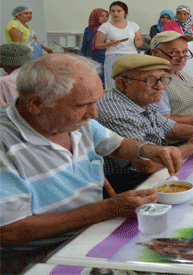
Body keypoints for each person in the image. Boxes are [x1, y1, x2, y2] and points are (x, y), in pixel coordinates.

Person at [0, 54, 183, 274]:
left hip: (93, 234)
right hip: (39, 255)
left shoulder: (76, 121)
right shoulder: (5, 143)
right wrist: (107, 209)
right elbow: (9, 231)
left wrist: (146, 149)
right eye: (84, 104)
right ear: (36, 103)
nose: (94, 113)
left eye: (96, 101)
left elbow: (116, 145)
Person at [97, 54, 193, 193]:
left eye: (162, 79)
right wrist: (192, 145)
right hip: (131, 183)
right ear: (122, 83)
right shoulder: (117, 112)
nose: (160, 86)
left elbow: (171, 128)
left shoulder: (141, 98)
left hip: (158, 169)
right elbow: (147, 164)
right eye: (150, 80)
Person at [94, 1, 143, 90]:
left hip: (131, 56)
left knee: (131, 83)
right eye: (113, 11)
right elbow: (97, 45)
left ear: (125, 12)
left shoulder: (133, 25)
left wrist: (138, 42)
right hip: (113, 56)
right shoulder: (105, 26)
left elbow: (139, 40)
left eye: (119, 11)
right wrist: (109, 44)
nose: (115, 13)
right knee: (112, 83)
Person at [162, 5, 193, 76]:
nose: (182, 16)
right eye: (180, 13)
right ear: (176, 14)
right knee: (176, 75)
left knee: (188, 76)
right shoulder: (170, 24)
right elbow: (163, 40)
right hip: (175, 55)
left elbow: (192, 44)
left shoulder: (190, 26)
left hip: (188, 55)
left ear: (189, 15)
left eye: (185, 14)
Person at [80, 8, 109, 83]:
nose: (105, 18)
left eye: (106, 16)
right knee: (91, 81)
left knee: (104, 82)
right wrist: (82, 60)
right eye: (102, 16)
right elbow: (84, 46)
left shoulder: (109, 29)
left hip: (104, 59)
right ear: (95, 17)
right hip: (90, 59)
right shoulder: (88, 29)